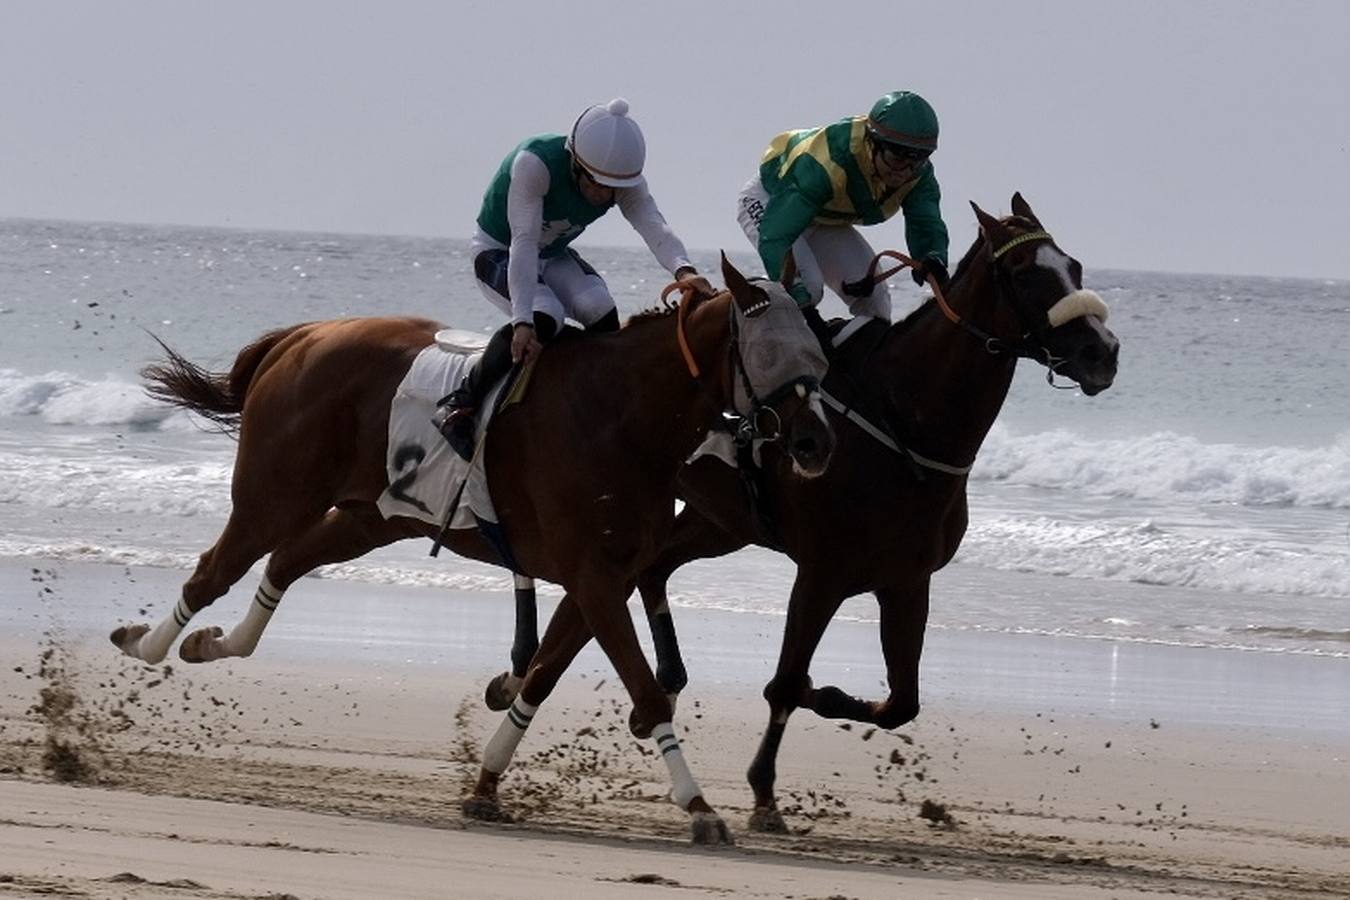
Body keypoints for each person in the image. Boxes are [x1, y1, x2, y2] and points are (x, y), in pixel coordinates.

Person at [437, 98, 714, 460]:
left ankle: (593, 405)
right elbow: (523, 243)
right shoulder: (534, 165)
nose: (603, 194)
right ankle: (460, 404)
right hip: (501, 251)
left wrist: (685, 271)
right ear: (574, 162)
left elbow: (653, 226)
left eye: (612, 188)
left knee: (600, 310)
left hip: (552, 254)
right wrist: (521, 320)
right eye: (596, 183)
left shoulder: (622, 181)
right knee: (545, 314)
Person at [736, 90, 950, 339]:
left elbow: (926, 223)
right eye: (897, 157)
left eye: (918, 159)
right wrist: (803, 302)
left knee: (876, 306)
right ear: (872, 144)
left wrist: (933, 257)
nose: (905, 171)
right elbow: (777, 235)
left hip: (822, 216)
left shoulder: (918, 176)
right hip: (774, 202)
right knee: (807, 290)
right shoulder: (828, 165)